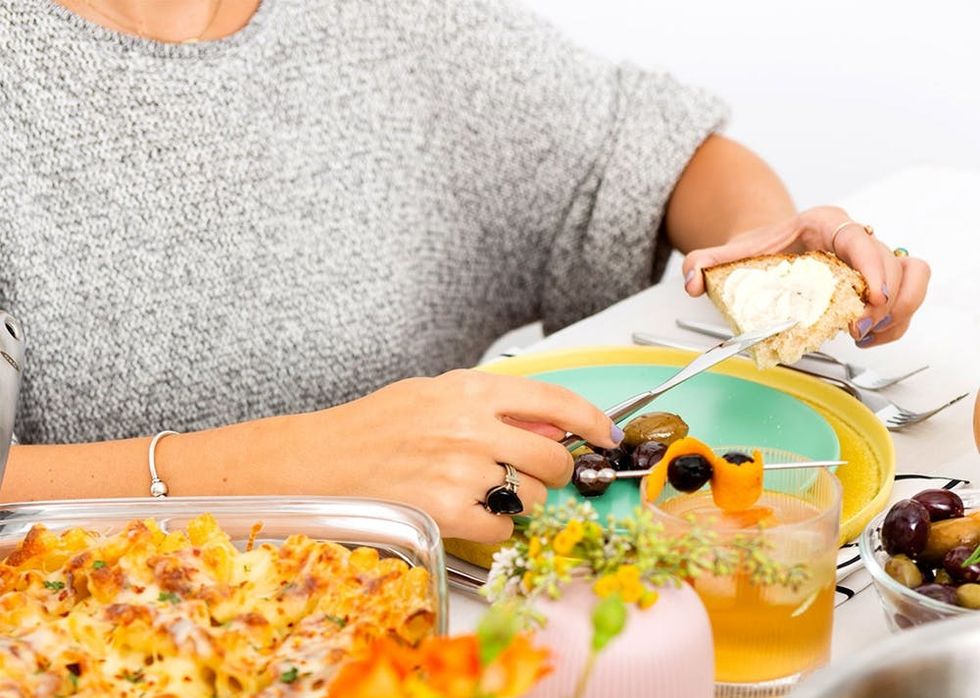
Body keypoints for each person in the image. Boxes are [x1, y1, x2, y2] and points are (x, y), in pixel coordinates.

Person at [1, 0, 930, 542]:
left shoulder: (391, 22)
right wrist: (311, 466)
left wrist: (768, 262)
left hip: (442, 631)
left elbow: (663, 157)